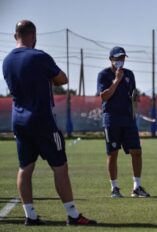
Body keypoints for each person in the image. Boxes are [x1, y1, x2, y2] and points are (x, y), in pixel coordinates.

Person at [2, 20, 96, 226]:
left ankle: (30, 216)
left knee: (25, 168)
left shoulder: (6, 60)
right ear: (33, 35)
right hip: (42, 119)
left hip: (18, 120)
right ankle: (72, 214)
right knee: (60, 167)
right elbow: (62, 78)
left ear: (14, 35)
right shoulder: (39, 56)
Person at [97, 46, 150, 198]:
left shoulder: (130, 74)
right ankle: (114, 188)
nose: (120, 61)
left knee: (137, 152)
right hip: (111, 120)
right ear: (111, 59)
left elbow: (132, 95)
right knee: (112, 154)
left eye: (122, 58)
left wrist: (134, 108)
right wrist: (117, 80)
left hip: (128, 120)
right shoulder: (104, 75)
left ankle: (137, 187)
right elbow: (104, 96)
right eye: (117, 58)